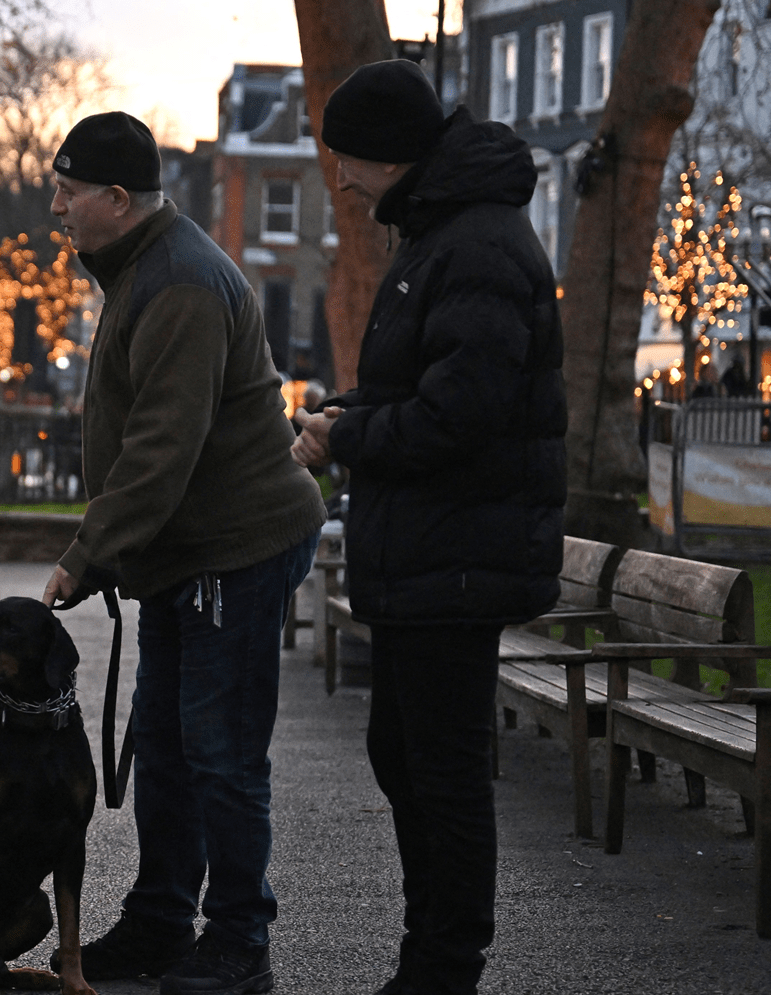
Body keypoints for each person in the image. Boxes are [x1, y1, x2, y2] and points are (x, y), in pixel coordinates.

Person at [289, 59, 565, 995]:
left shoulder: (474, 245)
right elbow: (427, 388)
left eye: (350, 162)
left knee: (439, 772)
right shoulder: (439, 236)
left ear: (394, 155)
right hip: (431, 552)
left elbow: (464, 414)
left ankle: (444, 967)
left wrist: (350, 435)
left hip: (458, 556)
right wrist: (349, 409)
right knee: (403, 754)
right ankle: (430, 955)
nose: (345, 182)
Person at [35, 112, 324, 995]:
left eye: (69, 191)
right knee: (166, 746)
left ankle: (241, 940)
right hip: (189, 552)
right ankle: (163, 921)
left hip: (234, 548)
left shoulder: (183, 283)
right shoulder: (145, 267)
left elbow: (165, 444)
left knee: (221, 754)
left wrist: (87, 555)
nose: (57, 207)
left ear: (117, 199)